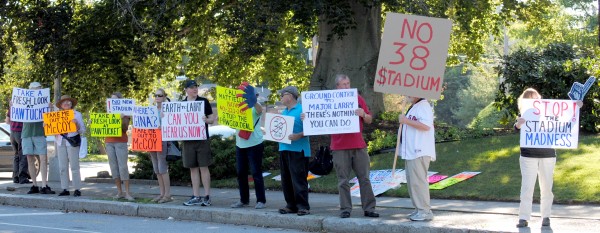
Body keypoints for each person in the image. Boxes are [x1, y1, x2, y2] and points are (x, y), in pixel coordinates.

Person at [513, 88, 582, 228]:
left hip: (548, 155)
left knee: (547, 187)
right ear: (524, 101)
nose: (533, 100)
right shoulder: (524, 114)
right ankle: (523, 217)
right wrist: (519, 124)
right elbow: (516, 127)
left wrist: (576, 107)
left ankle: (546, 216)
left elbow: (564, 119)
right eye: (529, 98)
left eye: (535, 97)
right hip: (528, 155)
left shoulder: (550, 112)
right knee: (527, 187)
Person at [329, 74, 379, 218]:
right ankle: (345, 209)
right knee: (343, 180)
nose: (346, 86)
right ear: (337, 86)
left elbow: (369, 120)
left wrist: (363, 114)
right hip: (339, 147)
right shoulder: (328, 101)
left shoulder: (357, 99)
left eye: (348, 83)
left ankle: (369, 208)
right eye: (343, 84)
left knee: (364, 178)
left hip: (358, 145)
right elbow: (318, 117)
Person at [398, 96, 436, 221]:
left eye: (410, 92)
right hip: (411, 152)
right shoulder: (415, 106)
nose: (407, 95)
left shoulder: (424, 105)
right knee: (412, 182)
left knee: (418, 181)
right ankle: (419, 209)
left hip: (419, 151)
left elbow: (426, 125)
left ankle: (425, 211)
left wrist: (406, 121)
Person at [277, 86, 311, 216]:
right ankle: (290, 205)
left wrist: (299, 135)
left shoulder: (303, 110)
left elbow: (311, 128)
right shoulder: (284, 112)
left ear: (290, 96)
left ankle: (303, 206)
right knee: (286, 179)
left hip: (298, 150)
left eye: (282, 95)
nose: (280, 97)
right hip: (284, 149)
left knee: (298, 179)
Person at [181, 80, 215, 206]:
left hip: (202, 139)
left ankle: (207, 196)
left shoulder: (203, 101)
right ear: (186, 90)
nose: (195, 89)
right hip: (188, 140)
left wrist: (206, 120)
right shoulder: (181, 104)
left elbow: (211, 119)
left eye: (196, 87)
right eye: (191, 87)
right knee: (193, 168)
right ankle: (196, 196)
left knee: (204, 167)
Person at [231, 91, 266, 209]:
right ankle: (244, 200)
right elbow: (232, 124)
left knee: (256, 172)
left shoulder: (254, 107)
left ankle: (261, 200)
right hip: (240, 144)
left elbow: (260, 110)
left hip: (255, 144)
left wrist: (253, 101)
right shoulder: (236, 108)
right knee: (241, 173)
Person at [22, 82, 56, 194]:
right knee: (30, 159)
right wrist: (13, 105)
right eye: (34, 89)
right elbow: (15, 115)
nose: (36, 91)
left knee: (43, 159)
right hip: (27, 133)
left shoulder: (45, 103)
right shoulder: (23, 101)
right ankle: (35, 185)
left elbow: (52, 118)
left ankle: (44, 185)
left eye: (38, 89)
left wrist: (50, 108)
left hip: (39, 133)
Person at [55, 95, 85, 197]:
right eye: (64, 102)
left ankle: (77, 188)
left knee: (74, 166)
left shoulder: (77, 115)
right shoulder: (56, 115)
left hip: (72, 142)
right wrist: (47, 126)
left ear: (71, 104)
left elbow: (82, 130)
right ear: (61, 105)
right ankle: (65, 188)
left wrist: (76, 124)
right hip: (60, 142)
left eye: (68, 102)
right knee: (62, 167)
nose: (66, 104)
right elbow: (52, 130)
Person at [105, 92, 133, 201]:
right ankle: (119, 192)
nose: (113, 102)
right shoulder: (108, 113)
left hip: (120, 141)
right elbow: (102, 126)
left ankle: (127, 193)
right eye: (111, 100)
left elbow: (125, 128)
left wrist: (120, 118)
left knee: (123, 167)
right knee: (113, 167)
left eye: (115, 100)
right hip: (108, 141)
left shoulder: (125, 113)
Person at [149, 88, 172, 203]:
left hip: (162, 139)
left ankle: (167, 195)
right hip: (151, 140)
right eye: (156, 95)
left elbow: (172, 124)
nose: (157, 97)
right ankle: (161, 193)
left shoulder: (168, 110)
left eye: (160, 95)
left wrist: (163, 124)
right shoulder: (151, 110)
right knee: (156, 168)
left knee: (162, 167)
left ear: (164, 97)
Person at [5, 108, 28, 184]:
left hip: (12, 133)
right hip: (21, 132)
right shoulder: (24, 107)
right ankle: (22, 178)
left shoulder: (12, 108)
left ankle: (15, 177)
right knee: (23, 155)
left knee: (16, 155)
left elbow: (7, 121)